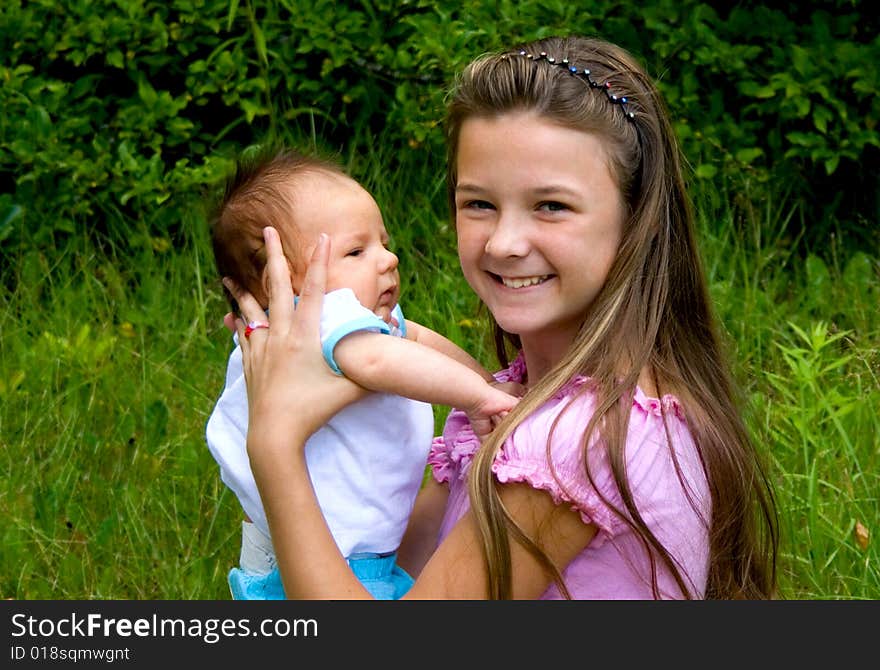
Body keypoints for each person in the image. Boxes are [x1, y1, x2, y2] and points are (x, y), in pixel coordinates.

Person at [223, 35, 779, 599]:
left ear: (638, 221)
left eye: (551, 206)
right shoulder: (514, 402)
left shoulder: (575, 443)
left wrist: (274, 446)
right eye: (480, 204)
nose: (505, 243)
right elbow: (399, 576)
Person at [205, 147, 520, 600]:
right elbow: (380, 359)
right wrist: (478, 396)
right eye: (357, 250)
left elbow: (413, 339)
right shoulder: (318, 318)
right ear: (284, 281)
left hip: (334, 553)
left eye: (383, 243)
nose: (387, 259)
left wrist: (483, 380)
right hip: (334, 563)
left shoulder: (339, 322)